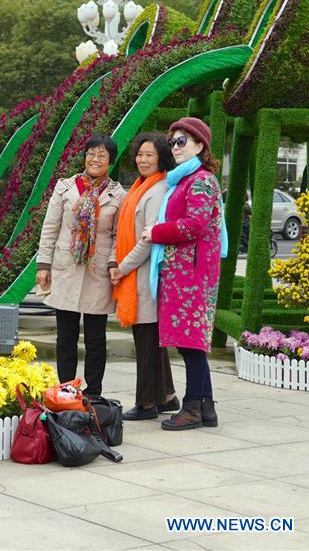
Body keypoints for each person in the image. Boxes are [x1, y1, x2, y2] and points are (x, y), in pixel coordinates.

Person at [142, 117, 225, 431]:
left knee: (191, 344)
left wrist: (156, 231)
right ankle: (206, 407)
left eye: (182, 142)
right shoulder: (184, 179)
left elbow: (196, 224)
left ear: (200, 146)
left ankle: (192, 407)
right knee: (191, 343)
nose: (174, 147)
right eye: (172, 142)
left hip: (192, 276)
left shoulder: (200, 179)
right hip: (184, 273)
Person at [36, 134, 125, 397]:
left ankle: (94, 392)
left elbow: (120, 234)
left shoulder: (117, 194)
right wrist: (44, 264)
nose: (95, 159)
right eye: (91, 154)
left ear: (110, 161)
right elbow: (50, 227)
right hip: (66, 268)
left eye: (102, 155)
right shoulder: (65, 187)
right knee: (66, 337)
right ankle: (66, 389)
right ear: (84, 157)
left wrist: (114, 262)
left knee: (96, 339)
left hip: (98, 271)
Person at [110, 133, 179, 420]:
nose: (142, 159)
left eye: (149, 155)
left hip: (144, 275)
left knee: (148, 342)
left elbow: (150, 238)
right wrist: (117, 261)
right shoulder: (139, 187)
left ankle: (147, 403)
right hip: (133, 274)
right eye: (140, 154)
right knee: (150, 340)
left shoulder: (159, 189)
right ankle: (167, 396)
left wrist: (122, 267)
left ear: (161, 158)